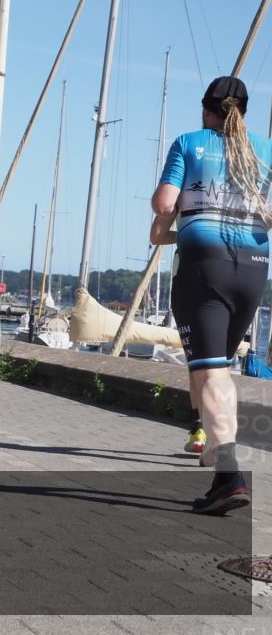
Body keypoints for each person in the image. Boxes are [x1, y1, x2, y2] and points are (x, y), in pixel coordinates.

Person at [151, 75, 269, 514]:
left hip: (205, 263)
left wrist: (178, 212)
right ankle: (214, 450)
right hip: (254, 266)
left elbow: (165, 203)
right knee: (218, 367)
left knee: (212, 371)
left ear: (207, 110)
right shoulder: (266, 149)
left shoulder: (189, 142)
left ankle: (228, 475)